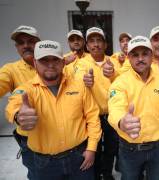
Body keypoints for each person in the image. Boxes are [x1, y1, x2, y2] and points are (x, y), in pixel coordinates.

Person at [5, 40, 102, 180]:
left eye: (55, 60)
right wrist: (18, 116)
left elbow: (93, 117)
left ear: (63, 62)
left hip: (79, 157)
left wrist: (92, 148)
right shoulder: (26, 90)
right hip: (44, 164)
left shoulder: (79, 87)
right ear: (34, 62)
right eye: (44, 60)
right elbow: (14, 104)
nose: (50, 65)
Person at [108, 36, 159, 180]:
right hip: (130, 149)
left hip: (158, 147)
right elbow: (115, 109)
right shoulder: (120, 83)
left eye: (145, 53)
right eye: (135, 55)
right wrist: (121, 121)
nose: (140, 59)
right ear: (128, 58)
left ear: (152, 56)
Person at [0, 25, 40, 178]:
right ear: (17, 47)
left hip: (57, 134)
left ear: (38, 43)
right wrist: (17, 115)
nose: (26, 46)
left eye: (30, 41)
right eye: (21, 43)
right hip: (29, 137)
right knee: (37, 174)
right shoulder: (10, 70)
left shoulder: (53, 63)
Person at [79, 27, 119, 180]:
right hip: (91, 117)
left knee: (110, 148)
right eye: (91, 41)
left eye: (99, 40)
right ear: (87, 46)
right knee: (93, 149)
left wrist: (114, 74)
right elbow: (74, 83)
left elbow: (124, 81)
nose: (96, 44)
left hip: (112, 115)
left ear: (105, 44)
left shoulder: (115, 61)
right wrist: (84, 82)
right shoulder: (81, 64)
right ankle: (95, 175)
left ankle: (107, 174)